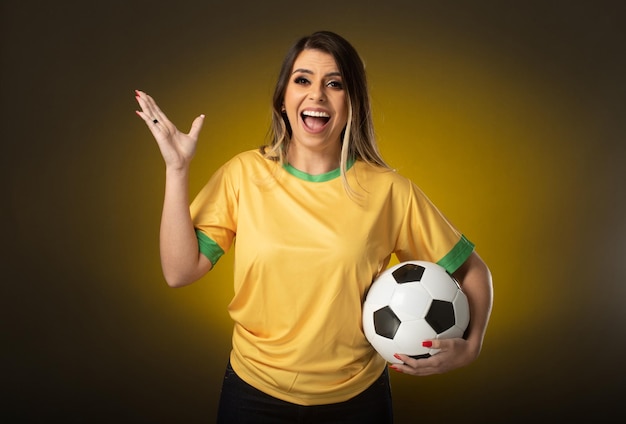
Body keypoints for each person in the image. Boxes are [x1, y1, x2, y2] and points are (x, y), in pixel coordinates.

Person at [135, 30, 493, 423]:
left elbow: (472, 270)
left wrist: (471, 346)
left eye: (334, 84)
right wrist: (177, 169)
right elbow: (179, 271)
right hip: (254, 394)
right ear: (283, 99)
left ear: (352, 101)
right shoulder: (243, 175)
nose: (317, 95)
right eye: (303, 80)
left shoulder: (390, 192)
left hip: (356, 400)